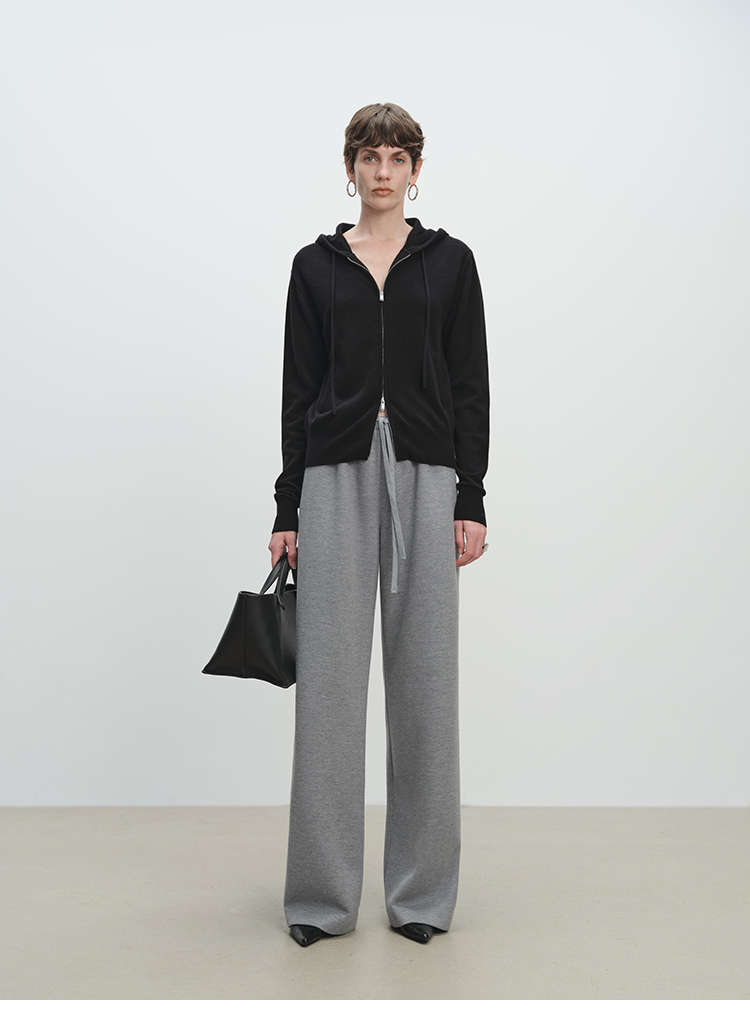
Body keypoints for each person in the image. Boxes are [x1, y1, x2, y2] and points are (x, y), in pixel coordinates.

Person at [268, 102, 490, 947]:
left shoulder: (451, 263)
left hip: (427, 474)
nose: (384, 171)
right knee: (328, 694)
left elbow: (470, 384)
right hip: (334, 475)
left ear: (416, 171)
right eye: (371, 156)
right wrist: (287, 507)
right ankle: (320, 900)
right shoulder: (315, 267)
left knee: (425, 689)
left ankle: (421, 897)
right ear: (351, 168)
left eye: (398, 157)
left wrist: (471, 496)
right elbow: (298, 390)